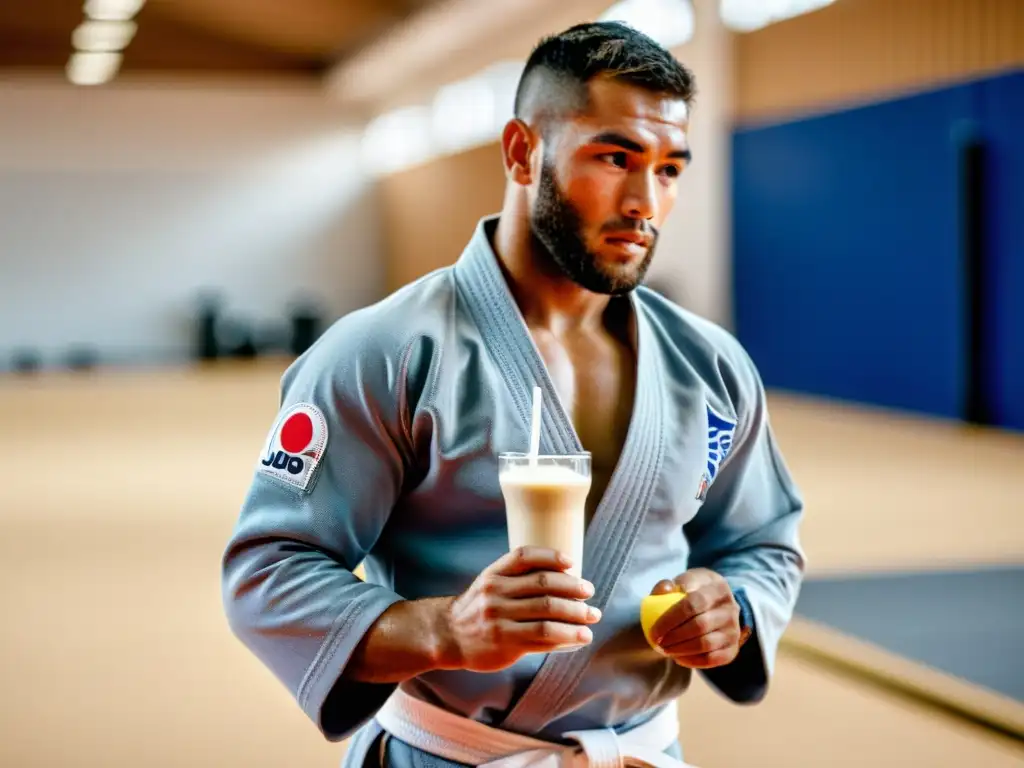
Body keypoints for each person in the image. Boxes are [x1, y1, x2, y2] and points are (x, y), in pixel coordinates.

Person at [221, 20, 805, 768]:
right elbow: (268, 569)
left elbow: (762, 541)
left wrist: (736, 610)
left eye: (669, 170)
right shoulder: (386, 351)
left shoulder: (711, 365)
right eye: (616, 157)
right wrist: (443, 629)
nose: (646, 203)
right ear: (523, 152)